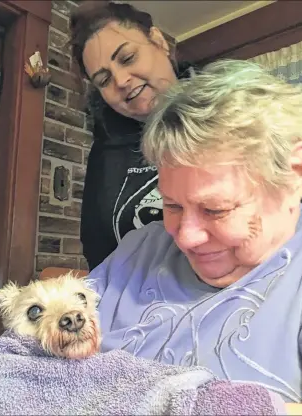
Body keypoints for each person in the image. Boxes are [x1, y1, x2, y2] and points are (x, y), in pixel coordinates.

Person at [86, 59, 302, 405]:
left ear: (296, 173)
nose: (185, 237)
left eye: (215, 209)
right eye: (172, 205)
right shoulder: (139, 247)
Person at [69, 1, 195, 270]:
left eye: (127, 58)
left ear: (158, 41)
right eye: (104, 80)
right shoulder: (105, 151)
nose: (122, 81)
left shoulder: (223, 110)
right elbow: (98, 253)